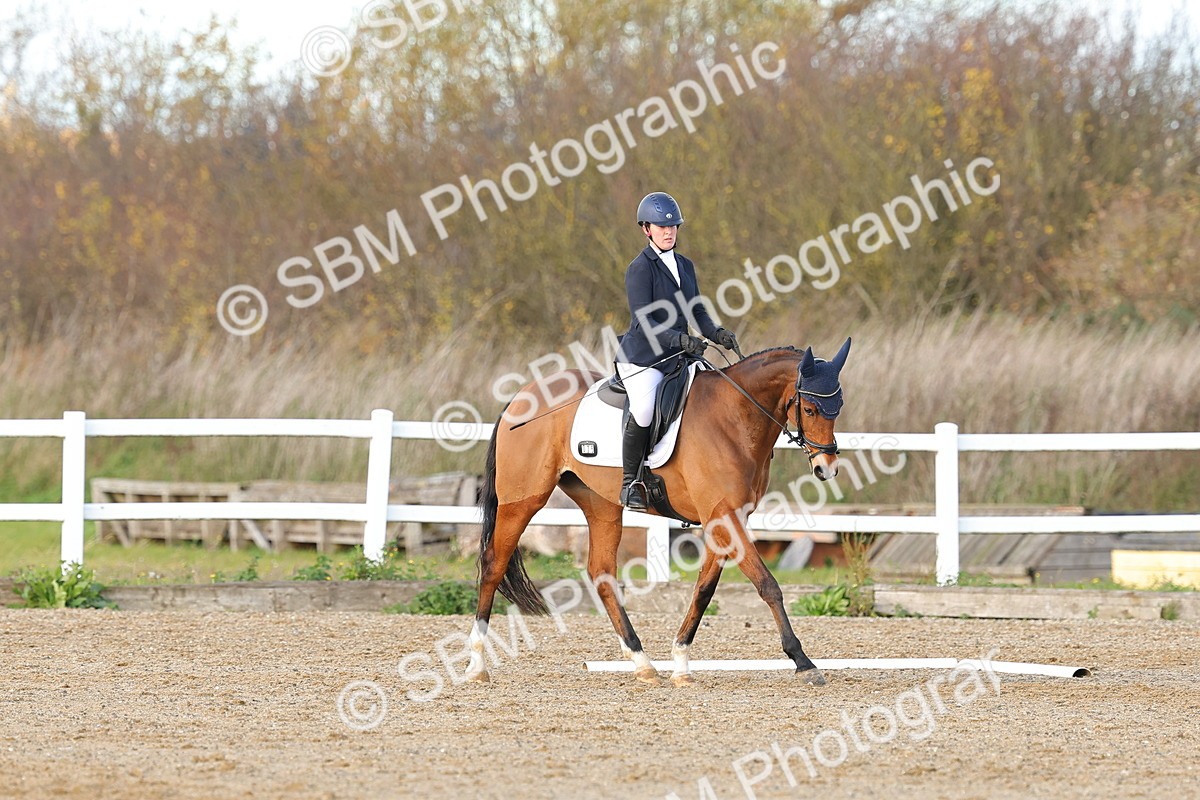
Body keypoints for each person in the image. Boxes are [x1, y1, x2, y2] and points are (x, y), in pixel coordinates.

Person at [614, 192, 739, 510]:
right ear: (646, 229)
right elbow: (645, 322)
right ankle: (630, 482)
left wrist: (716, 333)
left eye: (674, 227)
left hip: (676, 358)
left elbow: (697, 310)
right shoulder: (640, 269)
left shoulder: (684, 265)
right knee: (643, 410)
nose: (669, 232)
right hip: (643, 360)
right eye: (661, 227)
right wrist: (680, 341)